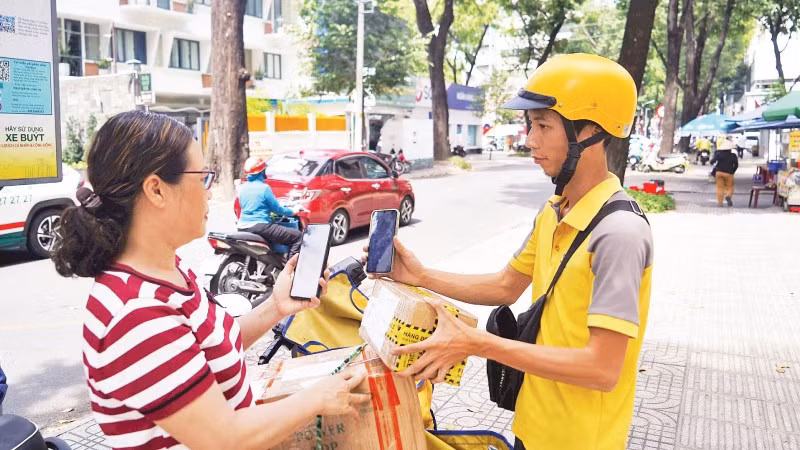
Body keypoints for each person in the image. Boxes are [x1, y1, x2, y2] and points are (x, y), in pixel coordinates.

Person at [364, 54, 654, 450]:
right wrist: (420, 276)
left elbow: (603, 368)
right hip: (532, 427)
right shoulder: (555, 212)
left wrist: (475, 343)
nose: (530, 140)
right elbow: (505, 285)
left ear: (591, 131)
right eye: (530, 125)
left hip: (581, 440)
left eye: (544, 126)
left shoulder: (619, 233)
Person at [52, 111, 370, 449]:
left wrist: (276, 307)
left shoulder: (169, 272)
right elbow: (225, 437)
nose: (210, 189)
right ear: (157, 190)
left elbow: (218, 344)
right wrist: (319, 397)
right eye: (202, 176)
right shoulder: (138, 314)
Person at [238, 156, 303, 258]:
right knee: (298, 236)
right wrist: (293, 211)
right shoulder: (264, 188)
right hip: (261, 227)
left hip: (242, 227)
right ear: (261, 172)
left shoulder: (241, 188)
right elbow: (278, 209)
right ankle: (290, 270)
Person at [711, 138, 739, 207]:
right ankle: (728, 196)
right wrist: (733, 171)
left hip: (719, 172)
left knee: (720, 188)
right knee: (730, 187)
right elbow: (736, 165)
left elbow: (712, 161)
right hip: (729, 173)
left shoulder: (719, 154)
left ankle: (720, 203)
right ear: (730, 148)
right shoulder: (733, 155)